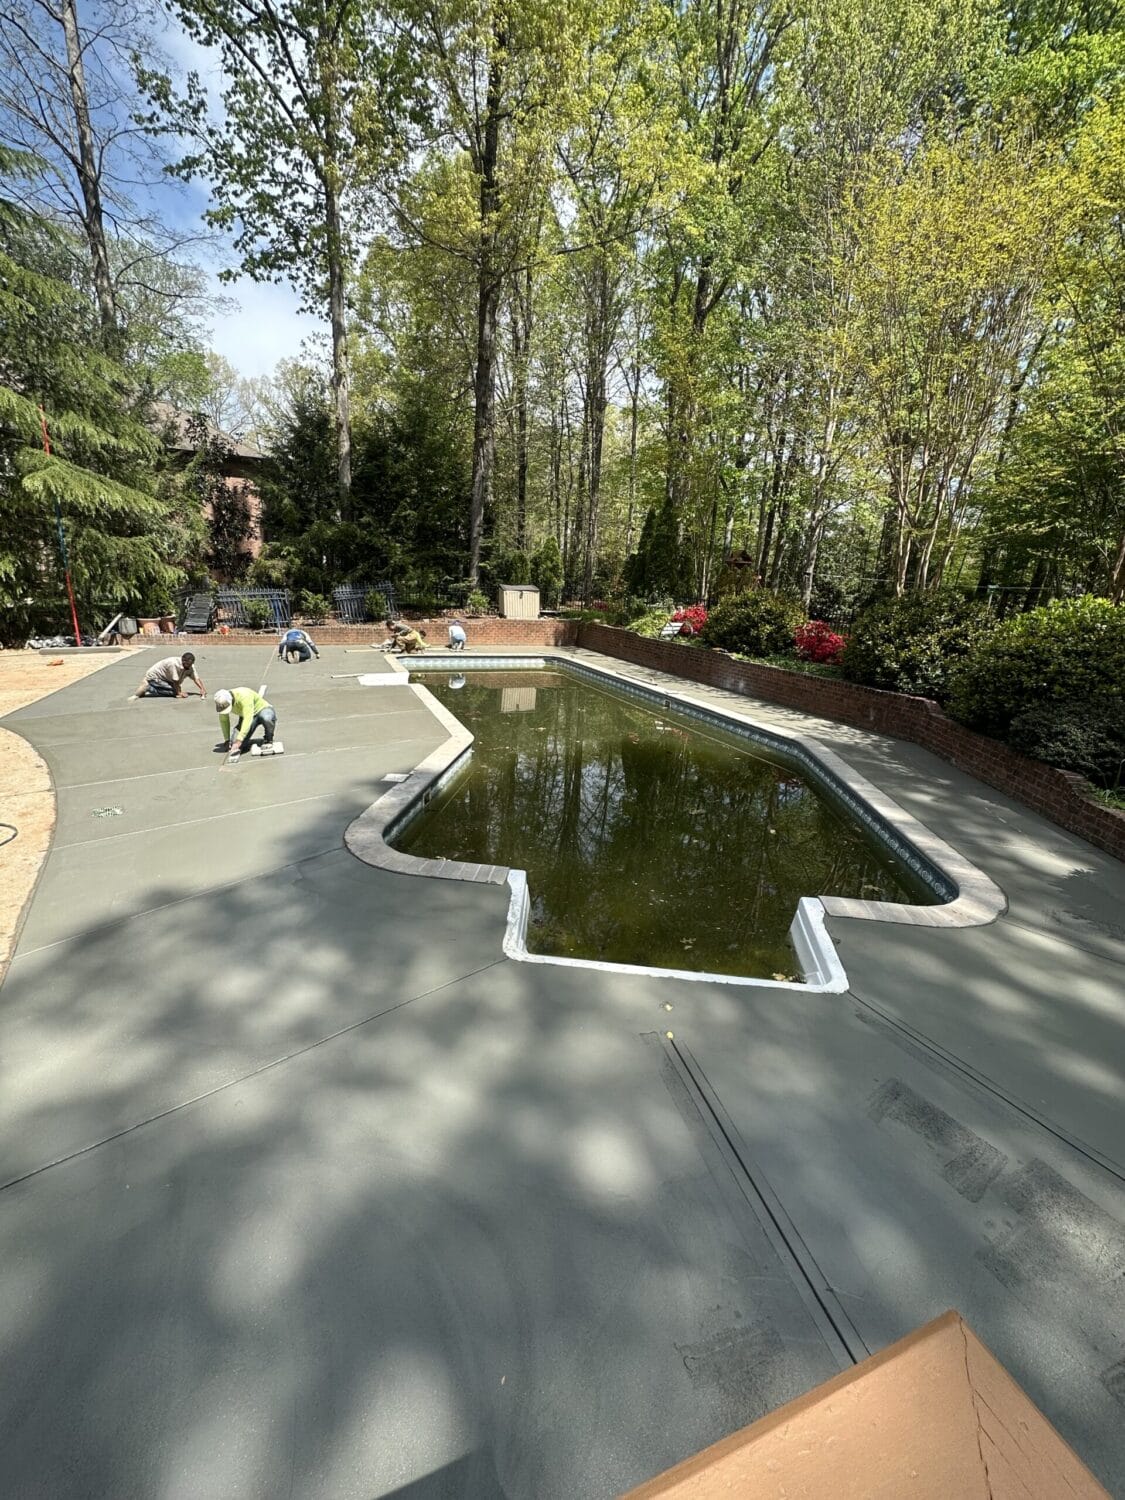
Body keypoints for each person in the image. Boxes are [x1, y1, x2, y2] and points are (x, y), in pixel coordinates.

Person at [213, 687, 284, 758]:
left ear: (231, 699)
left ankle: (268, 739)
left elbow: (248, 718)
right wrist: (227, 740)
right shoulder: (221, 702)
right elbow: (224, 721)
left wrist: (239, 739)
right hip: (246, 716)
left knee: (267, 718)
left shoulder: (244, 695)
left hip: (262, 709)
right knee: (234, 743)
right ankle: (242, 741)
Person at [132, 652, 205, 700]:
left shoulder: (190, 666)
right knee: (174, 692)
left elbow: (196, 678)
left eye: (190, 665)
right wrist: (179, 693)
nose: (188, 667)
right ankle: (148, 687)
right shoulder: (173, 664)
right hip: (155, 677)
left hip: (165, 678)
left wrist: (202, 689)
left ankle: (152, 687)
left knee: (176, 689)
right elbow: (175, 681)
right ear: (183, 661)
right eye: (187, 665)